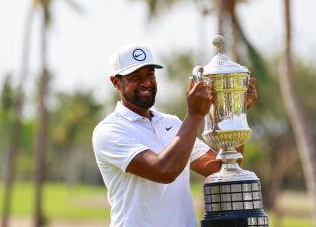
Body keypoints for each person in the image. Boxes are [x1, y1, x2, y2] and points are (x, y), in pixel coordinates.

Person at [92, 44, 257, 227]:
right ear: (116, 82)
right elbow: (164, 171)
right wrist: (194, 115)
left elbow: (221, 169)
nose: (146, 83)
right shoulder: (109, 130)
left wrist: (234, 113)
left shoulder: (171, 123)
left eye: (150, 74)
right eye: (135, 77)